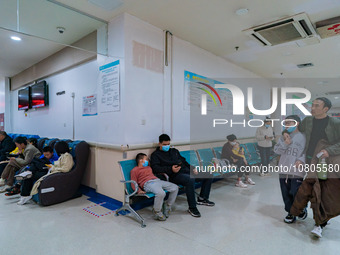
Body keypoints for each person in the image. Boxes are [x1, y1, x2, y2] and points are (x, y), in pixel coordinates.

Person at [290, 97, 340, 238]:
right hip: (307, 158)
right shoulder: (308, 120)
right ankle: (304, 211)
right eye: (312, 105)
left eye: (317, 106)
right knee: (304, 187)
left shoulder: (335, 123)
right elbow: (298, 131)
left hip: (324, 161)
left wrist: (329, 150)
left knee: (319, 190)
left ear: (325, 109)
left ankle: (320, 223)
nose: (312, 108)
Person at [151, 134, 214, 218]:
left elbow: (184, 161)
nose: (167, 146)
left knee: (208, 174)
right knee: (190, 180)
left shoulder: (174, 151)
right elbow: (156, 169)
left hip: (186, 171)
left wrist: (193, 168)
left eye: (168, 144)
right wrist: (170, 169)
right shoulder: (156, 155)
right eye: (164, 144)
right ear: (160, 144)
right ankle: (192, 207)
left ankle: (202, 198)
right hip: (174, 175)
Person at [274, 115, 307, 224]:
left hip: (297, 169)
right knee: (286, 193)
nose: (287, 125)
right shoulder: (283, 137)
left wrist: (301, 160)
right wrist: (285, 143)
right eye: (286, 123)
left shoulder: (303, 137)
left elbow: (307, 151)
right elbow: (277, 151)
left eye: (289, 123)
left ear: (297, 123)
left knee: (296, 191)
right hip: (283, 168)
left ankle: (301, 209)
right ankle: (290, 212)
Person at [131, 153, 178, 221]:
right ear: (141, 160)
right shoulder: (135, 170)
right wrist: (138, 190)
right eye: (146, 159)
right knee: (161, 193)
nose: (148, 160)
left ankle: (167, 205)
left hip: (157, 181)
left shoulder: (148, 167)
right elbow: (133, 182)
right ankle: (157, 212)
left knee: (175, 187)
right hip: (148, 184)